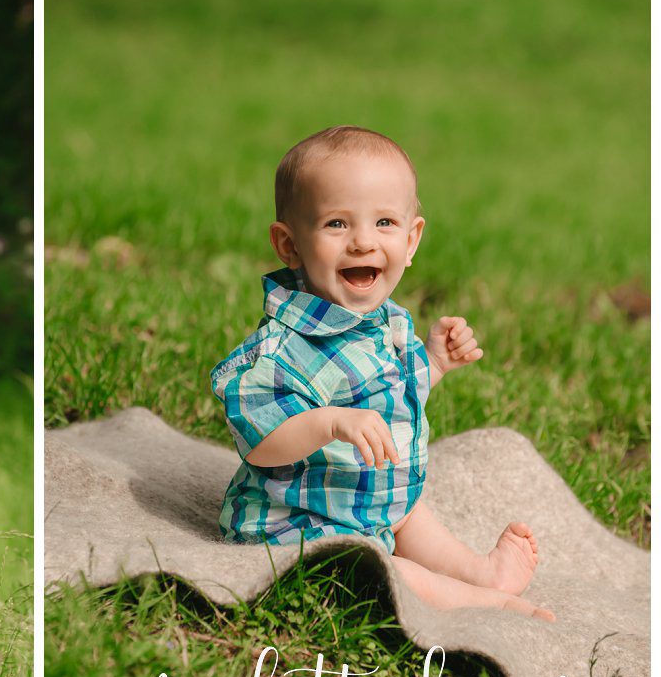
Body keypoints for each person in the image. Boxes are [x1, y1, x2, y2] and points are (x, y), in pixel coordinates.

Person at [209, 125, 553, 620]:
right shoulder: (283, 350)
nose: (363, 242)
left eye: (385, 222)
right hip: (298, 528)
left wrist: (434, 364)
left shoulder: (383, 322)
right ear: (289, 245)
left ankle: (480, 572)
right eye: (336, 224)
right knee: (385, 568)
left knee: (408, 513)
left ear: (412, 240)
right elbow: (262, 443)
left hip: (363, 498)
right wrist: (331, 421)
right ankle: (486, 602)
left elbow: (391, 393)